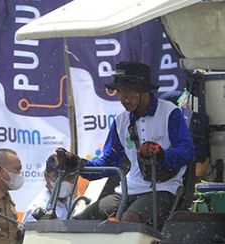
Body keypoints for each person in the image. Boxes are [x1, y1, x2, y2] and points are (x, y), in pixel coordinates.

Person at [72, 62, 195, 225]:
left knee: (129, 220)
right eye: (119, 92)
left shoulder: (170, 112)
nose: (122, 98)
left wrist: (161, 155)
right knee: (80, 221)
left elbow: (187, 151)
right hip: (127, 191)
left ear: (144, 91)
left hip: (163, 190)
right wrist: (79, 166)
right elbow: (109, 161)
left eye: (128, 91)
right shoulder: (120, 121)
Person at [22, 153, 78, 226]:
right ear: (46, 176)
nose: (65, 181)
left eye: (70, 177)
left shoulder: (72, 204)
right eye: (58, 176)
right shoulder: (37, 209)